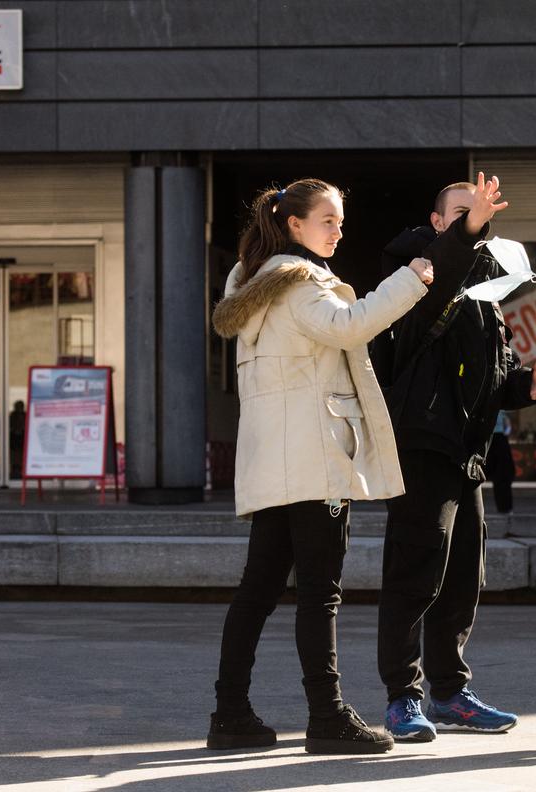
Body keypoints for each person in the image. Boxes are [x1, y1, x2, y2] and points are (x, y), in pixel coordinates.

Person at [208, 178, 434, 755]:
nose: (338, 230)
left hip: (274, 461)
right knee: (319, 593)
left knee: (257, 591)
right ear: (294, 224)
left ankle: (230, 713)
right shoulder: (300, 281)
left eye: (339, 219)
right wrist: (410, 279)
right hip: (316, 459)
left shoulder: (251, 283)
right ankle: (327, 716)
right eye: (328, 220)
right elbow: (350, 325)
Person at [374, 173, 536, 742]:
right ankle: (403, 698)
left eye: (477, 212)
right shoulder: (416, 272)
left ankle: (451, 693)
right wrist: (469, 230)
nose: (469, 217)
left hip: (465, 452)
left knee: (461, 581)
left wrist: (523, 386)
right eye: (458, 211)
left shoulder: (487, 290)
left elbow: (484, 376)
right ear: (437, 222)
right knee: (414, 575)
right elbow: (427, 312)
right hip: (422, 446)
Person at [485, 411, 515, 515]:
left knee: (502, 475)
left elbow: (507, 422)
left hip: (497, 436)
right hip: (491, 436)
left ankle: (505, 507)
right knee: (502, 475)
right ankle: (505, 507)